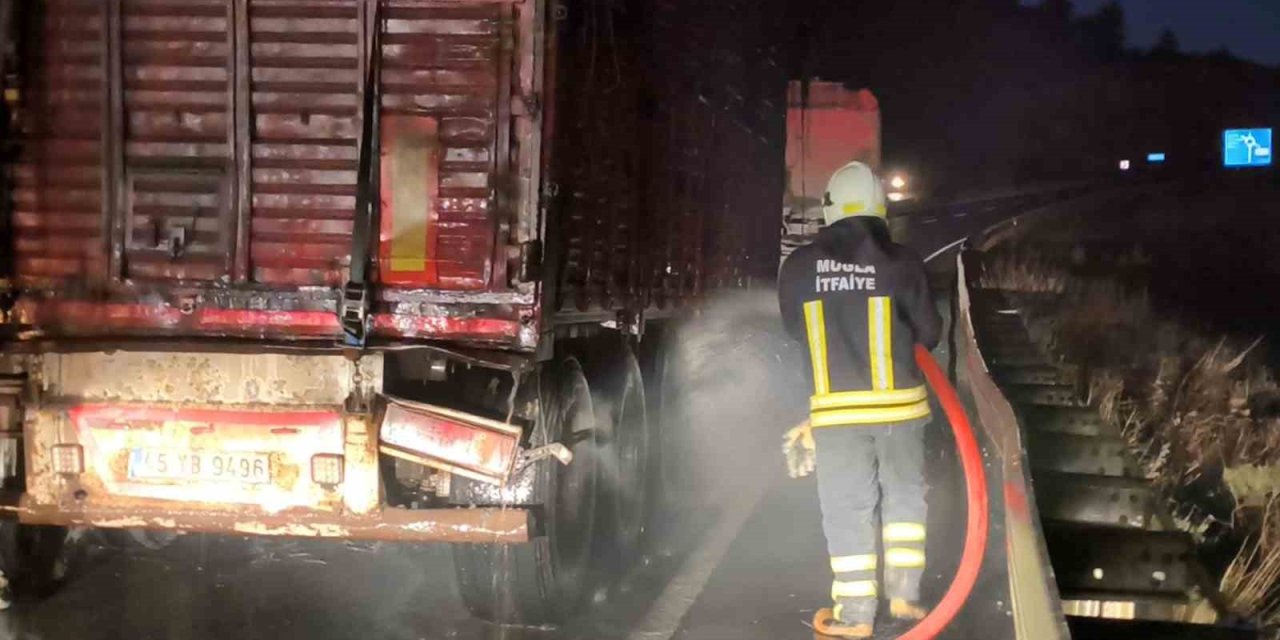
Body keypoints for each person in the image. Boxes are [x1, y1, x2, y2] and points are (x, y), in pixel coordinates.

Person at [778, 161, 942, 638]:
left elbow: (795, 332)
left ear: (828, 211)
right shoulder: (902, 262)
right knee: (904, 501)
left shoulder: (799, 266)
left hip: (837, 416)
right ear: (879, 209)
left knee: (847, 509)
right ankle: (905, 597)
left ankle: (855, 616)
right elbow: (929, 332)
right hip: (901, 411)